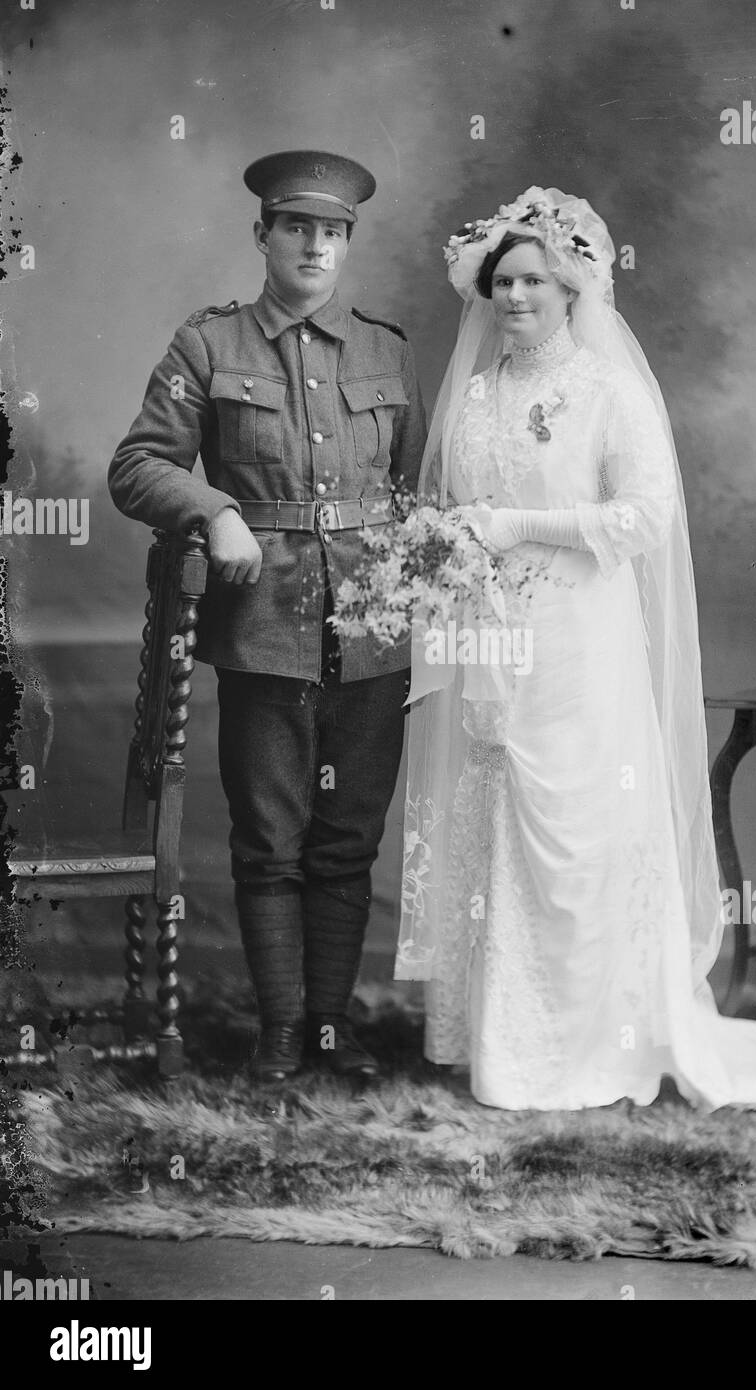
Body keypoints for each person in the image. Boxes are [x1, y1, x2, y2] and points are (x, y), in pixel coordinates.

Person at [395, 187, 756, 1112]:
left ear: (574, 289)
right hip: (496, 642)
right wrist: (453, 547)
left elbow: (646, 516)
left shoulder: (609, 392)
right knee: (504, 816)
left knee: (581, 825)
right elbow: (453, 515)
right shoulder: (479, 396)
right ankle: (509, 1045)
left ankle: (596, 1047)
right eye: (504, 281)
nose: (518, 296)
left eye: (536, 279)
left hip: (583, 643)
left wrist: (515, 525)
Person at [109, 150, 427, 1083]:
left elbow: (409, 493)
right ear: (263, 236)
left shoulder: (387, 350)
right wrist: (216, 511)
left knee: (349, 840)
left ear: (346, 243)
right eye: (298, 227)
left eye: (333, 232)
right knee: (271, 840)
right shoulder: (210, 346)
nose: (316, 246)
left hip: (373, 630)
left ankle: (332, 1027)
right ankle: (282, 1030)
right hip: (264, 629)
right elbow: (137, 466)